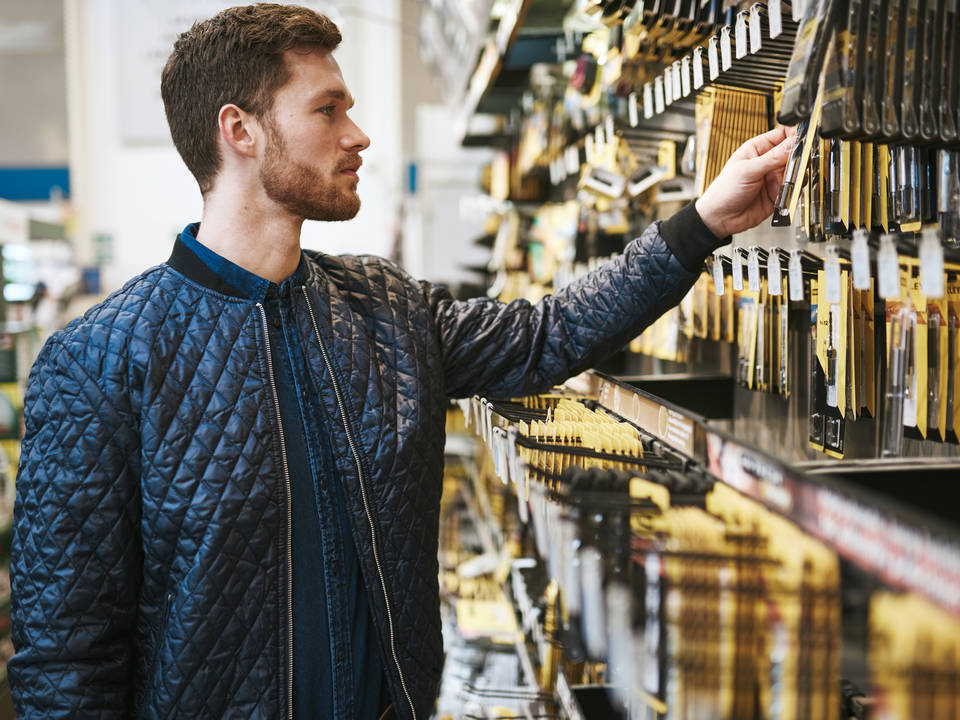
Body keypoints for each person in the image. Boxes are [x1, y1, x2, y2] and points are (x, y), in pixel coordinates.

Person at [8, 4, 794, 719]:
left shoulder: (386, 311)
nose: (358, 134)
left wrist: (702, 223)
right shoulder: (99, 362)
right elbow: (64, 661)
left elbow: (548, 333)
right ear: (239, 132)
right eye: (328, 109)